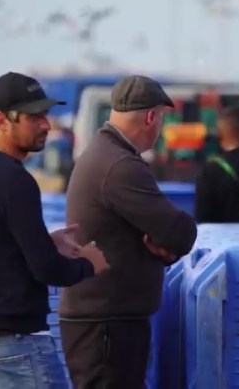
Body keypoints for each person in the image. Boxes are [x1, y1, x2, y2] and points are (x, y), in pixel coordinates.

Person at [0, 72, 109, 389]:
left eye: (45, 115)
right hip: (15, 347)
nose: (46, 125)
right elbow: (46, 269)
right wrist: (89, 263)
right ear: (3, 120)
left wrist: (47, 242)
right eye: (34, 117)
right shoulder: (15, 180)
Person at [59, 75, 198, 388]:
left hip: (104, 320)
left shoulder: (101, 153)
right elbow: (180, 231)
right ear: (151, 117)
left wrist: (163, 249)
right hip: (107, 326)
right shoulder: (120, 165)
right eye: (161, 118)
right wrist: (170, 244)